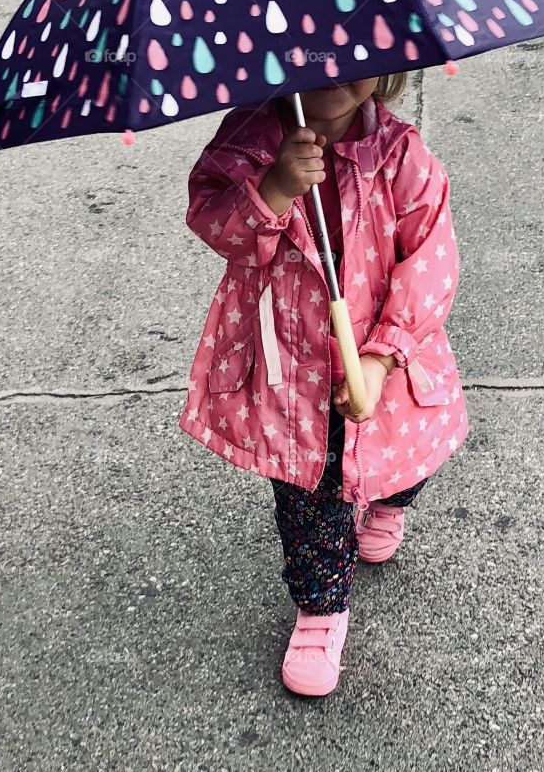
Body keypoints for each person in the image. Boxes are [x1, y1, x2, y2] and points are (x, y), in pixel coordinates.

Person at [179, 73, 469, 696]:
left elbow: (431, 262)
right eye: (311, 61)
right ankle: (321, 607)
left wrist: (384, 355)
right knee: (308, 490)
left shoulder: (401, 157)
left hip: (384, 356)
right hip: (294, 364)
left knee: (407, 455)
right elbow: (214, 224)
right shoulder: (250, 139)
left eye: (355, 57)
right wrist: (274, 188)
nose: (332, 77)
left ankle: (390, 503)